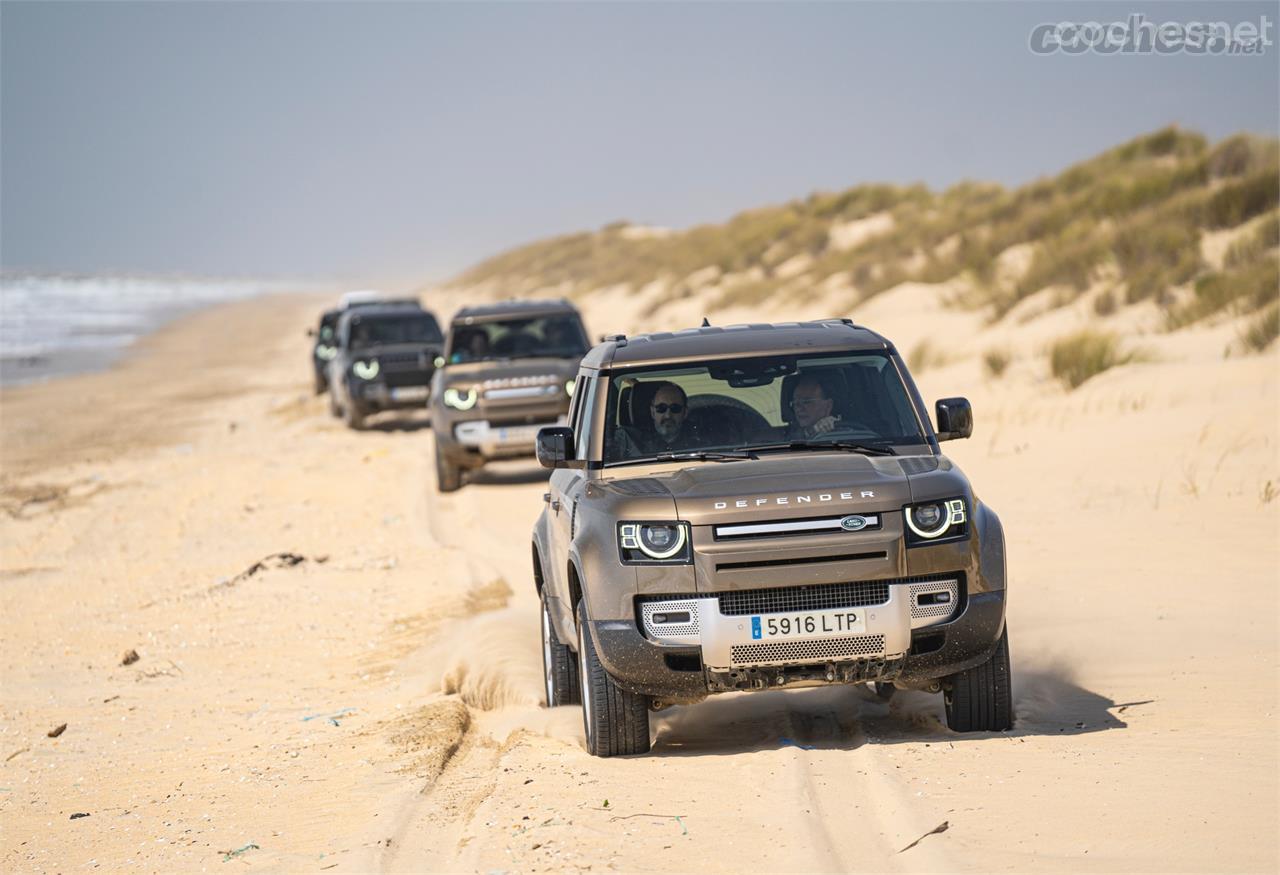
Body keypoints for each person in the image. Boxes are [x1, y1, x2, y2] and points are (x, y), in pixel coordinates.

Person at [613, 381, 697, 458]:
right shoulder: (628, 439)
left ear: (685, 412)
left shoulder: (701, 441)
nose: (668, 415)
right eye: (661, 408)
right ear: (652, 412)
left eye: (675, 408)